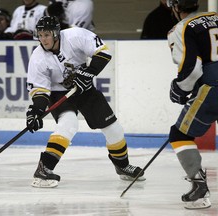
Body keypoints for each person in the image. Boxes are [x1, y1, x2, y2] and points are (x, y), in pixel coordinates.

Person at [26, 16, 145, 188]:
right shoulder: (38, 58)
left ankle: (123, 166)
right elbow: (40, 90)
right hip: (59, 93)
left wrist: (88, 73)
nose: (43, 39)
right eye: (40, 35)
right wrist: (36, 111)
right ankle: (44, 169)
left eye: (47, 34)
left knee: (114, 129)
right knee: (68, 124)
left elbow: (104, 52)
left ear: (56, 33)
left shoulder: (76, 36)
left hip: (84, 89)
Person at [166, 0, 218, 209]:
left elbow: (192, 68)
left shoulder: (181, 28)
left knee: (179, 135)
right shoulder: (216, 17)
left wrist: (180, 89)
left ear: (176, 7)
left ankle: (199, 187)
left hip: (214, 87)